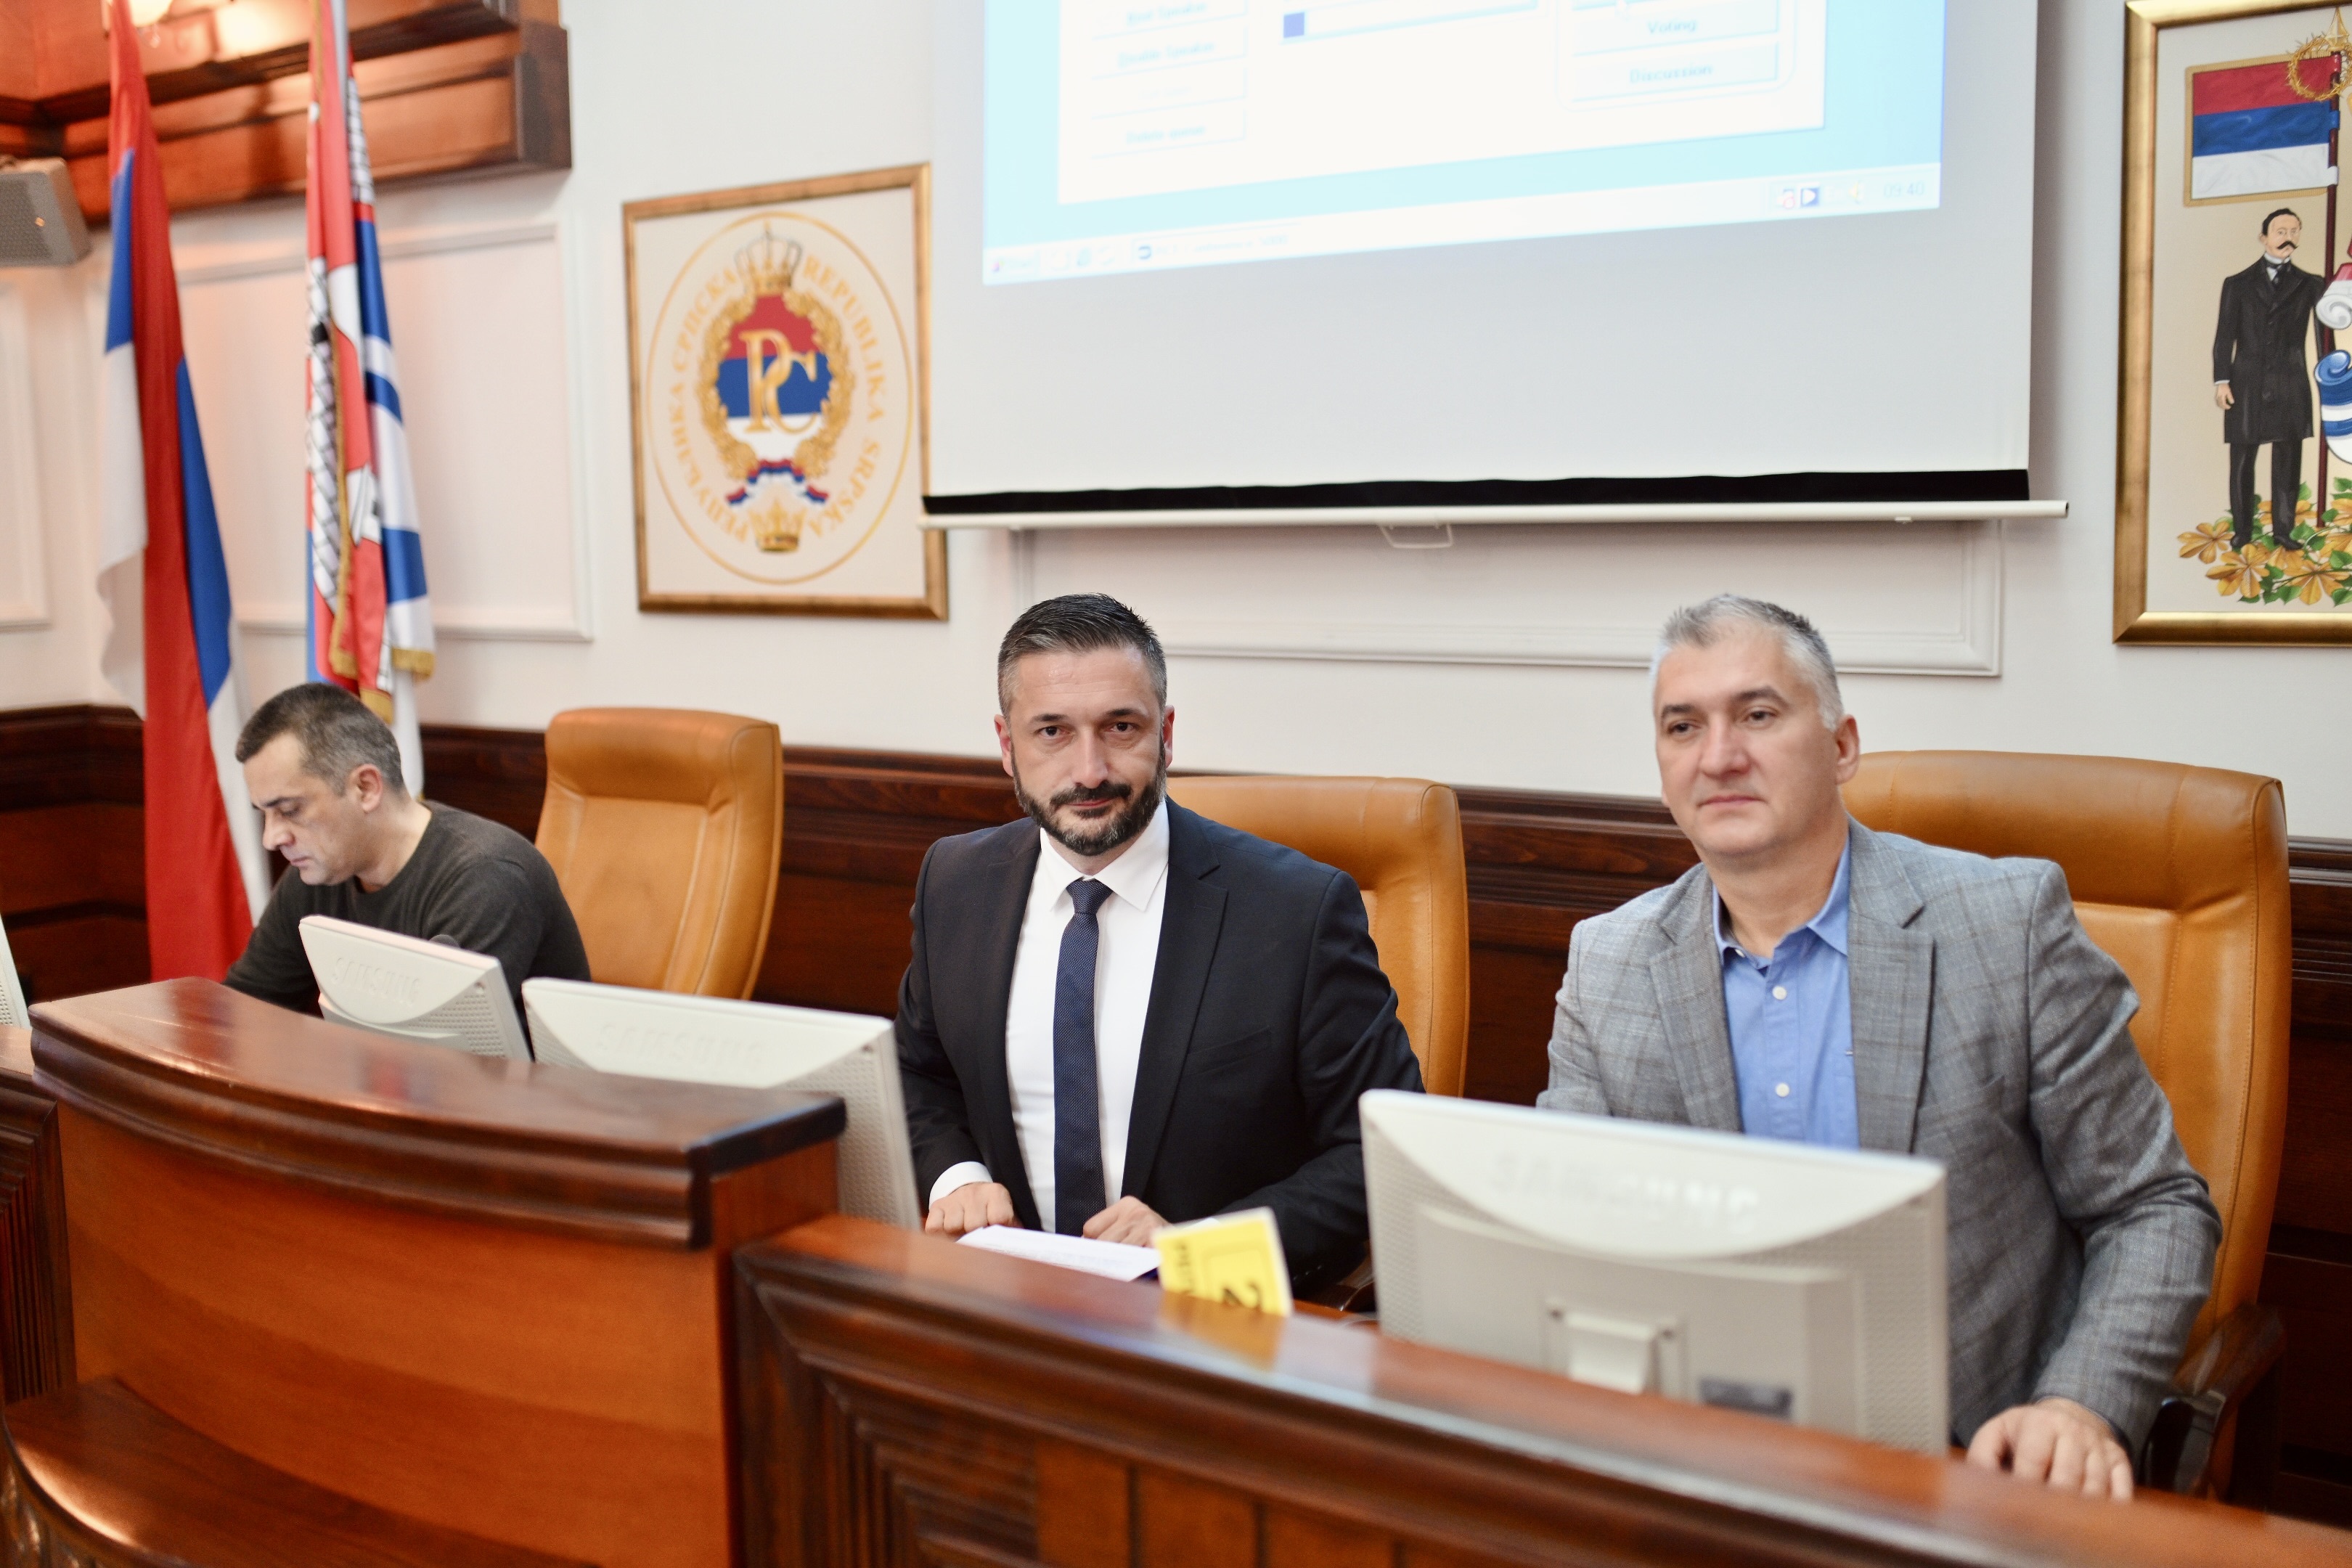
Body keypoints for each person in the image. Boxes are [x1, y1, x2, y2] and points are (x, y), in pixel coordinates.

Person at [1538, 595, 2218, 1500]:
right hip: (1703, 1454)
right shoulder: (1609, 963)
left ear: (1843, 746)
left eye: (1758, 715)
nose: (1719, 756)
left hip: (1967, 1464)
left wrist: (2078, 1407)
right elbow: (1569, 1234)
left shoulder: (2007, 926)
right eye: (1682, 726)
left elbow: (2153, 1207)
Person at [895, 593, 1425, 1291]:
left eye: (1121, 727)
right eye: (1052, 732)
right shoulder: (956, 882)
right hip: (1007, 1300)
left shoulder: (1297, 911)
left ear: (1166, 734)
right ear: (1006, 746)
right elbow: (919, 1075)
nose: (1089, 771)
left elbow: (1381, 1152)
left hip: (1208, 1317)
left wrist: (1198, 1245)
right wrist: (957, 1177)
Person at [224, 682, 589, 1014]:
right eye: (264, 814)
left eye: (290, 810)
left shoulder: (488, 875)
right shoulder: (317, 871)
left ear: (366, 788)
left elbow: (434, 1047)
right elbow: (242, 1012)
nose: (271, 839)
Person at [2214, 206, 2327, 550]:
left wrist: (2331, 377)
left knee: (2288, 461)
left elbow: (2325, 336)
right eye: (2281, 232)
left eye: (2294, 231)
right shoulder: (2237, 284)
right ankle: (2243, 531)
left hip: (2291, 383)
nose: (2288, 238)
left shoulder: (2312, 284)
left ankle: (2283, 532)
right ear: (2264, 238)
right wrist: (2221, 381)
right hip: (2245, 383)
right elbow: (2224, 337)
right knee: (2242, 461)